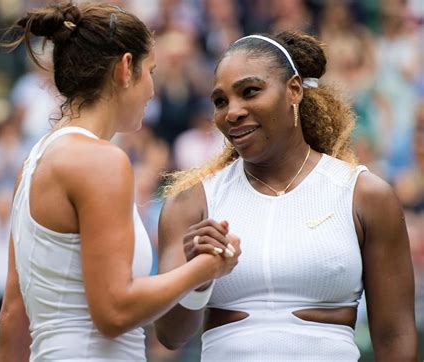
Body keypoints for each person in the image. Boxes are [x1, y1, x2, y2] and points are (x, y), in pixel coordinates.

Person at [0, 2, 240, 361]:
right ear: (126, 68)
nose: (153, 90)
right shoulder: (102, 160)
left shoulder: (33, 162)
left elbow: (11, 316)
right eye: (151, 71)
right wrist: (206, 267)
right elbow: (114, 313)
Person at [155, 31, 417, 360]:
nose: (232, 112)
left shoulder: (364, 195)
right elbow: (170, 335)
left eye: (249, 91)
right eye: (220, 101)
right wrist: (197, 278)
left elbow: (395, 334)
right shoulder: (190, 202)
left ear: (294, 90)